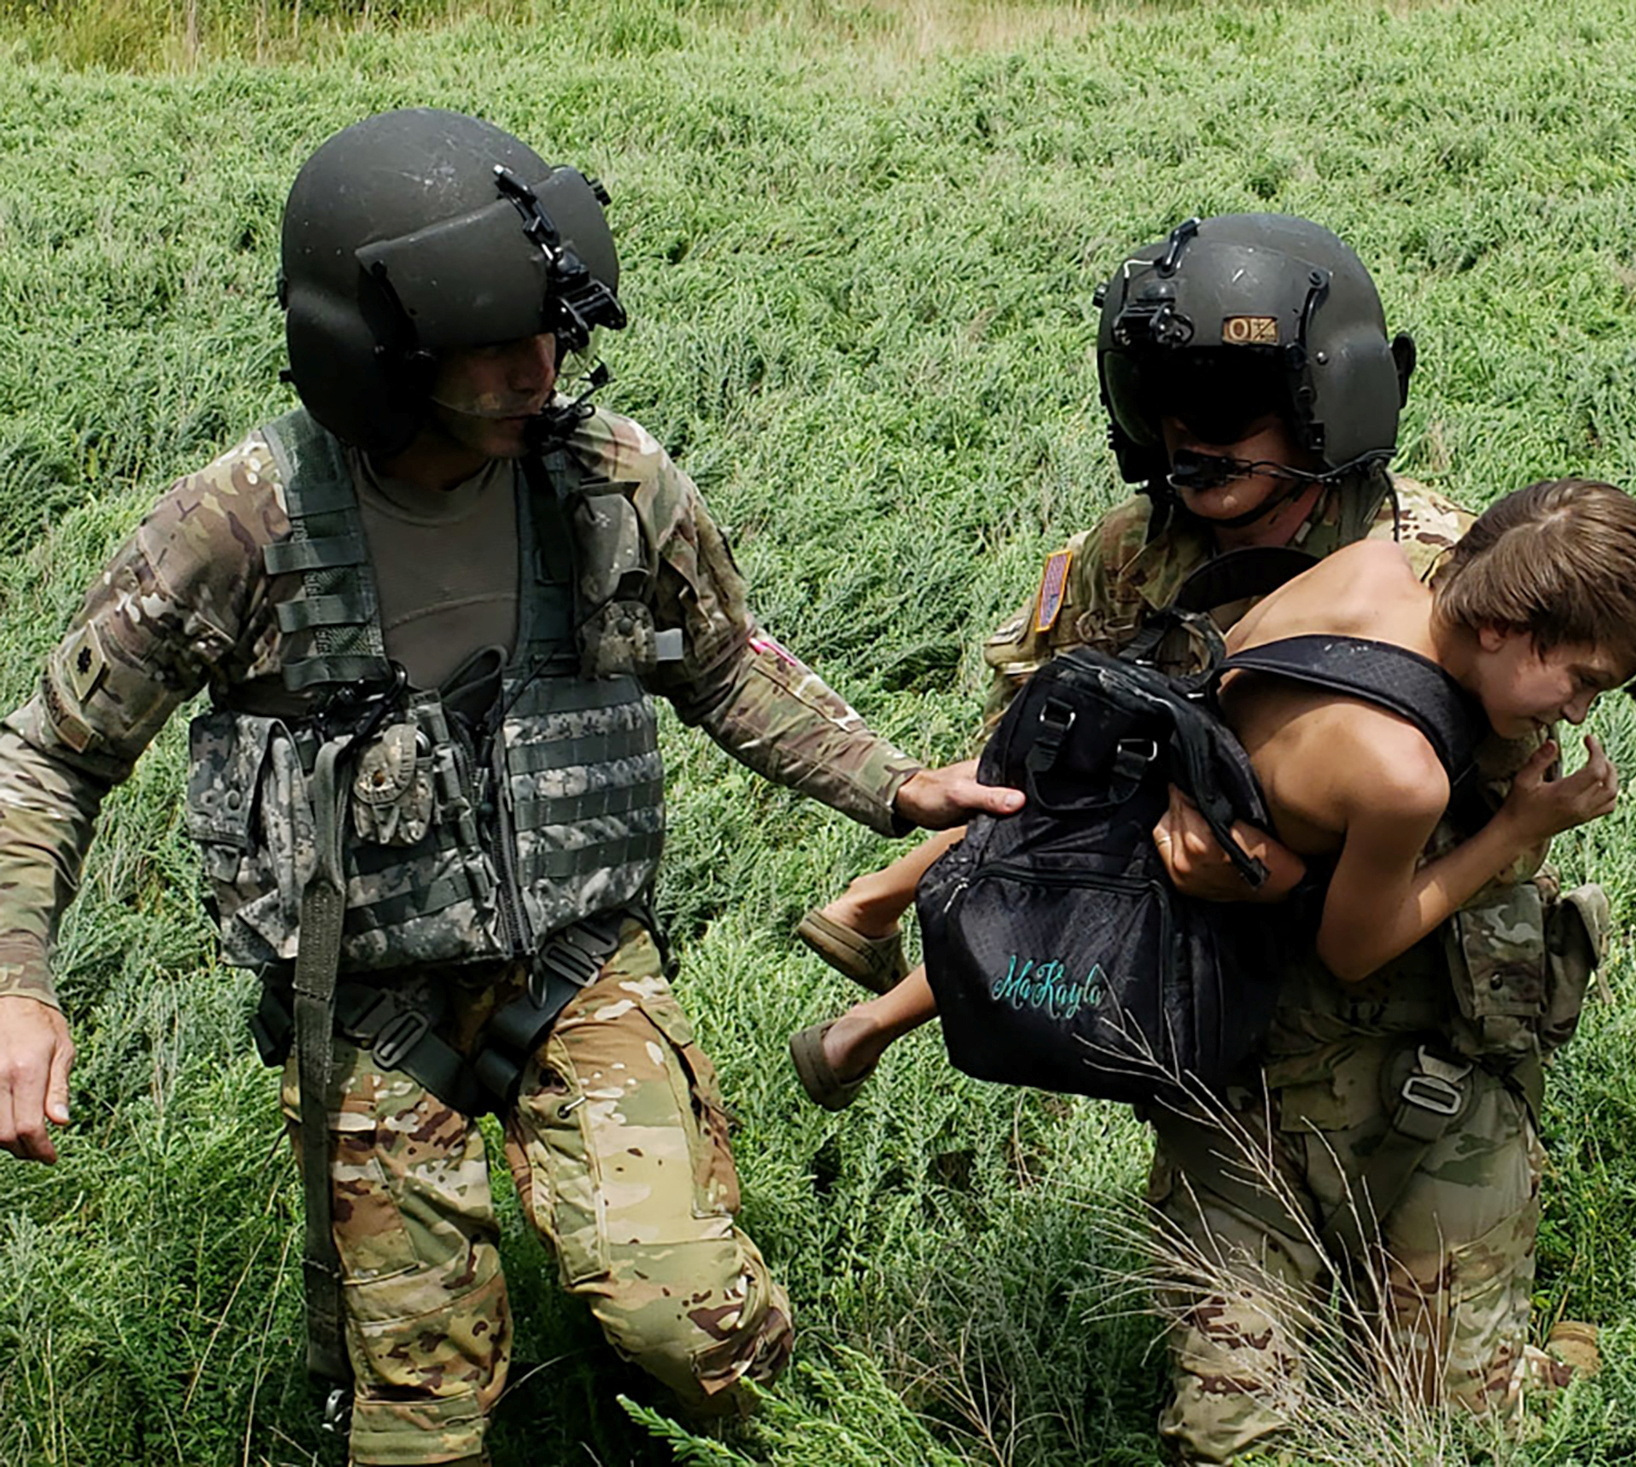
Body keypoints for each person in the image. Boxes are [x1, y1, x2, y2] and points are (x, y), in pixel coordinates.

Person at [0, 108, 1017, 1467]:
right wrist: (19, 980)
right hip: (362, 1000)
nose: (537, 371)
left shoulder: (611, 482)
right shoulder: (238, 524)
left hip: (579, 962)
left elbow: (724, 664)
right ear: (380, 352)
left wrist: (897, 785)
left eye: (552, 333)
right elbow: (52, 753)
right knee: (421, 1420)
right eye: (492, 343)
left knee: (688, 1326)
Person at [785, 214, 1633, 1459]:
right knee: (1233, 1437)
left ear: (1325, 402)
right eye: (1170, 397)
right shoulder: (1130, 563)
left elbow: (1505, 800)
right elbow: (1037, 793)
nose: (1196, 431)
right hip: (1229, 1057)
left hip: (1424, 1042)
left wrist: (1291, 852)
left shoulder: (1448, 567)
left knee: (1448, 1426)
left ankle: (1490, 1343)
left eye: (1237, 399)